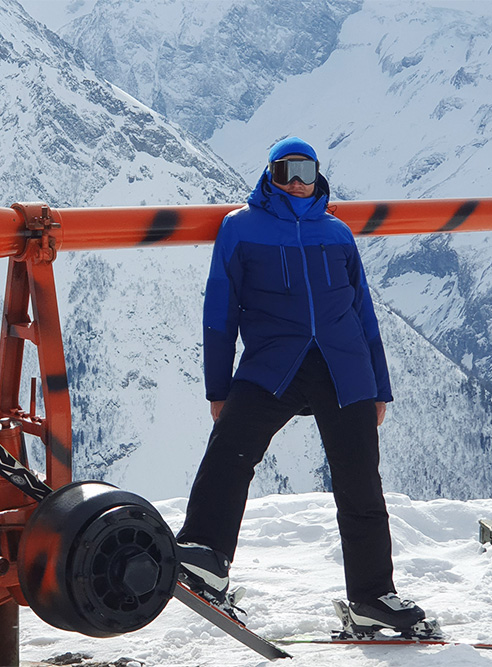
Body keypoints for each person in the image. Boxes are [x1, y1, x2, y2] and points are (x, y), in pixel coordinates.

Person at [175, 137, 427, 636]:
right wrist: (217, 388)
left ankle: (372, 596)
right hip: (274, 364)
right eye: (286, 170)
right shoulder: (240, 228)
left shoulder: (336, 232)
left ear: (318, 175)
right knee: (230, 451)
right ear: (269, 173)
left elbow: (364, 312)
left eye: (306, 170)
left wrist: (379, 385)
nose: (296, 181)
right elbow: (219, 312)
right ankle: (205, 554)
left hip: (344, 368)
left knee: (360, 482)